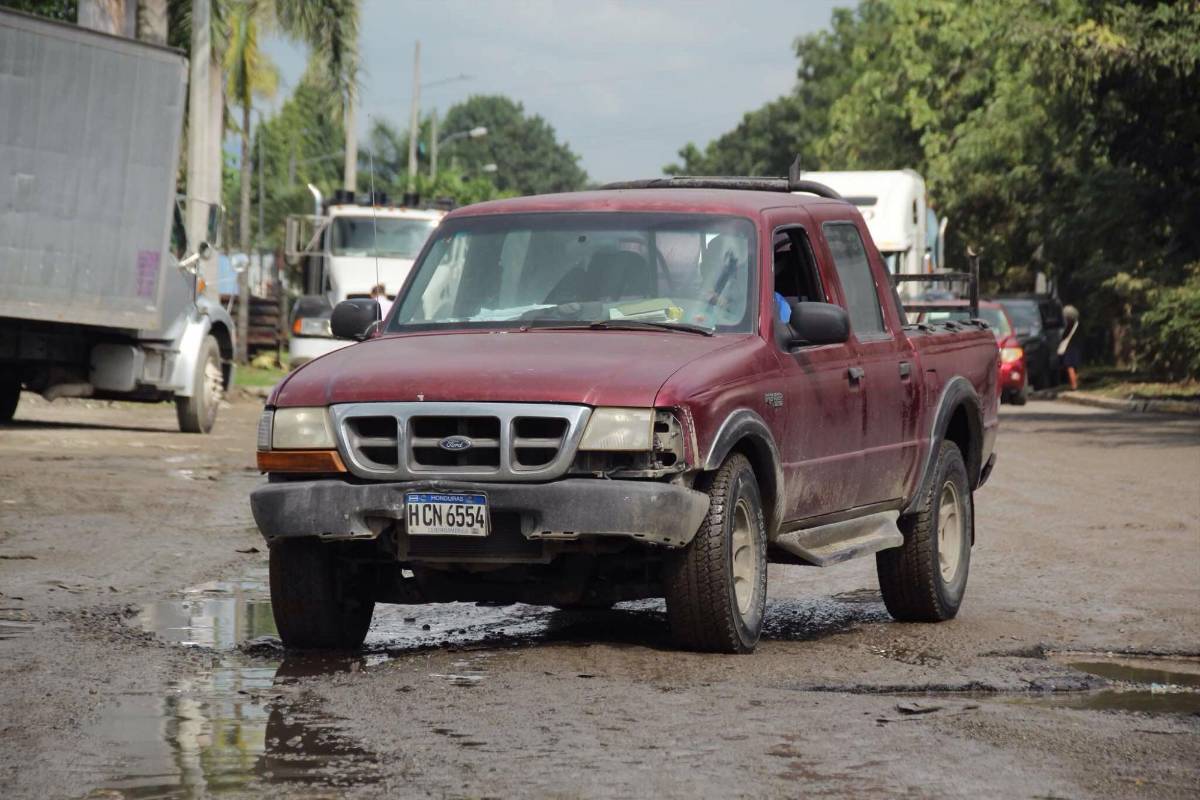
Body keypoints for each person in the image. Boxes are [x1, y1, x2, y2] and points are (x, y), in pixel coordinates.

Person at [1058, 304, 1081, 390]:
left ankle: (1073, 385)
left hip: (1069, 347)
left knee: (1069, 366)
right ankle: (1076, 383)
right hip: (1077, 347)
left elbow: (1064, 336)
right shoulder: (1078, 325)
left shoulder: (1069, 326)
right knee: (1075, 367)